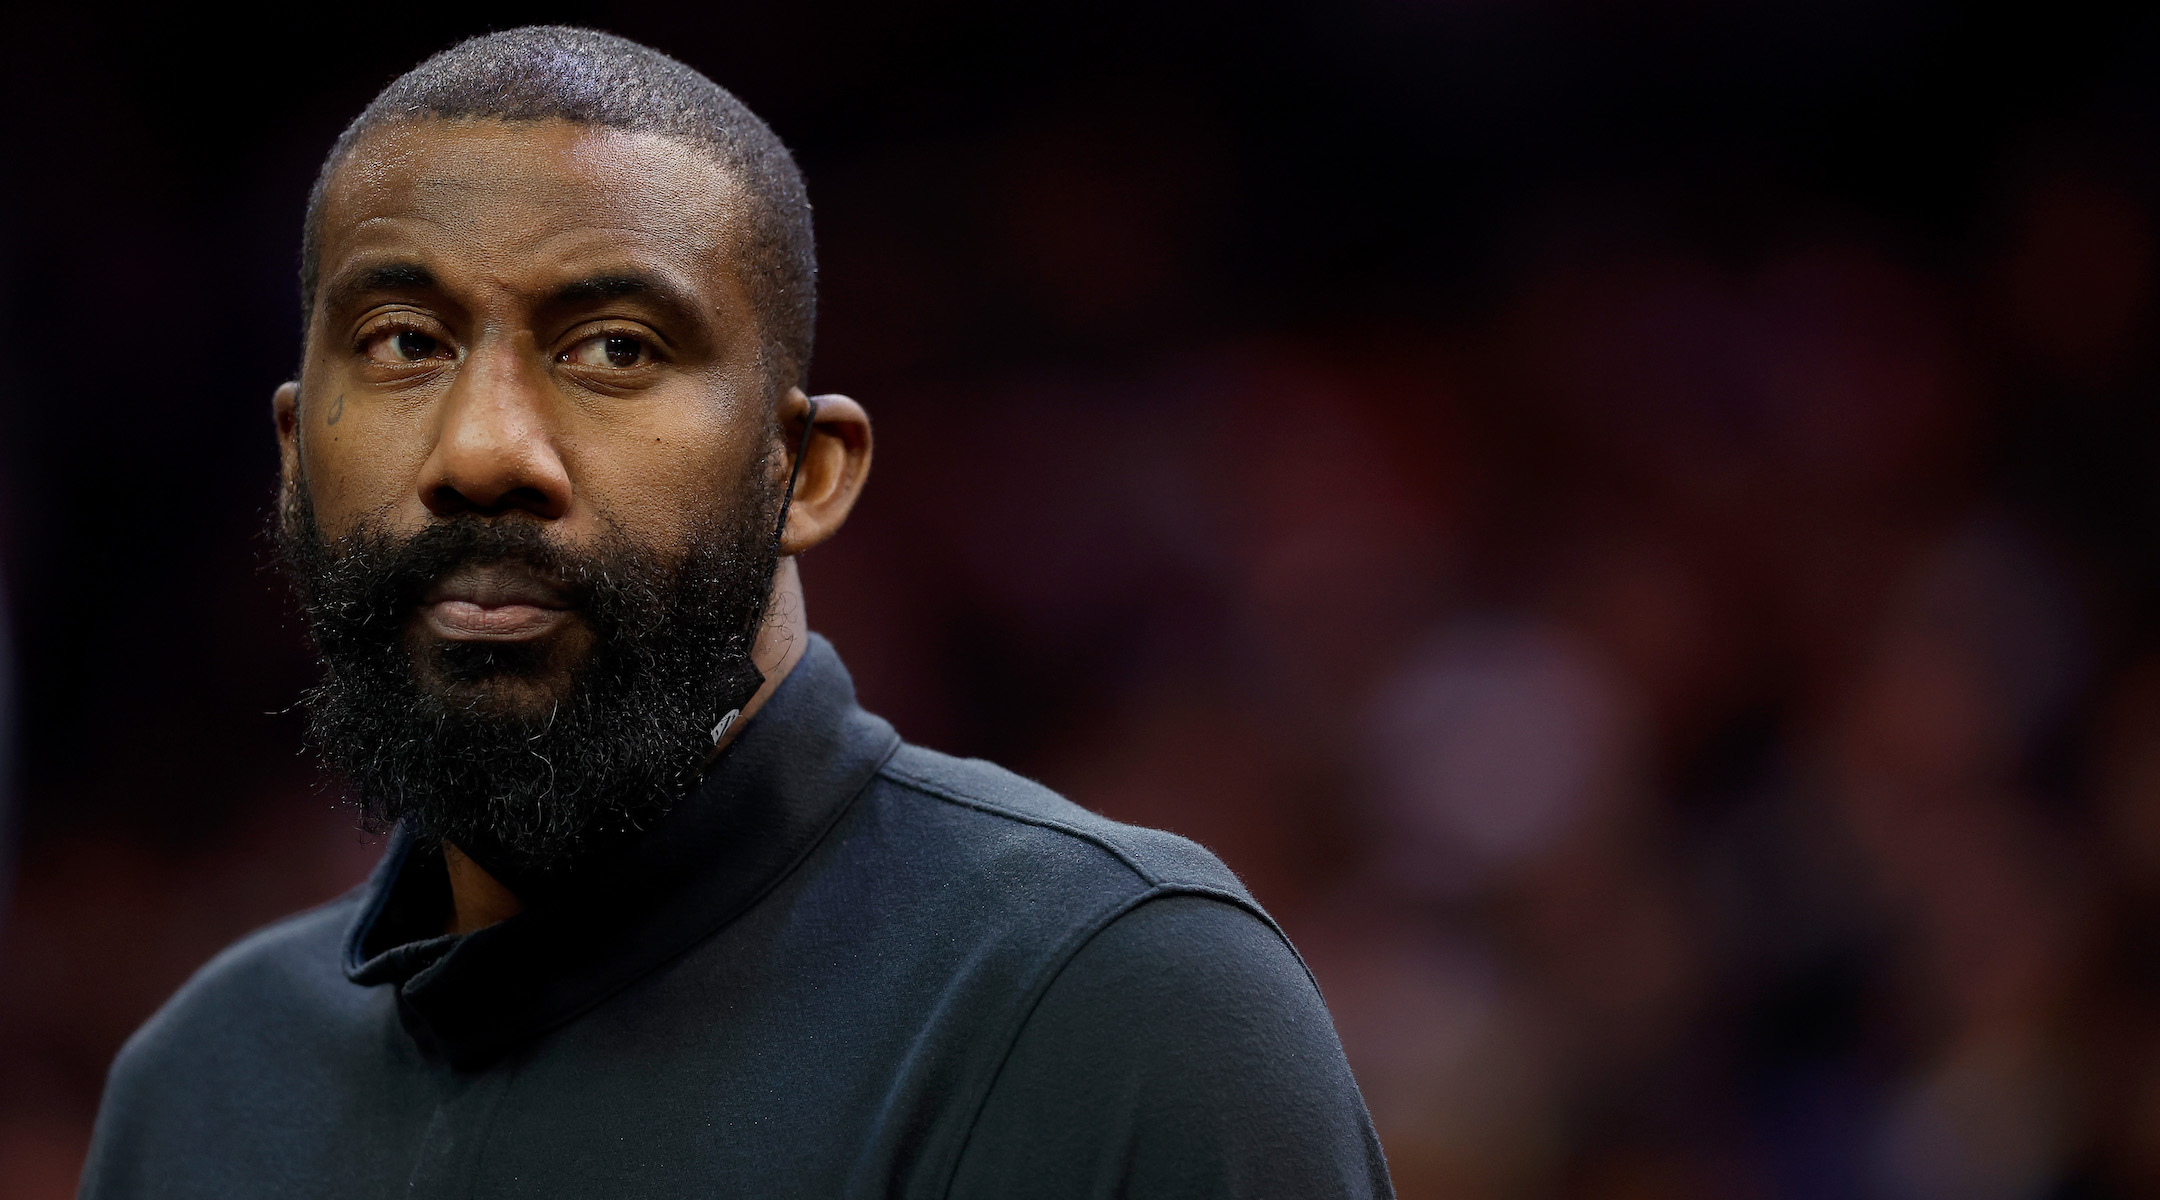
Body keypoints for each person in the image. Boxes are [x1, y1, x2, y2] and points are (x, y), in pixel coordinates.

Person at [77, 26, 1390, 1200]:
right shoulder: (204, 1080)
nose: (483, 450)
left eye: (616, 347)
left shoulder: (1101, 1005)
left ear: (802, 472)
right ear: (299, 458)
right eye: (406, 341)